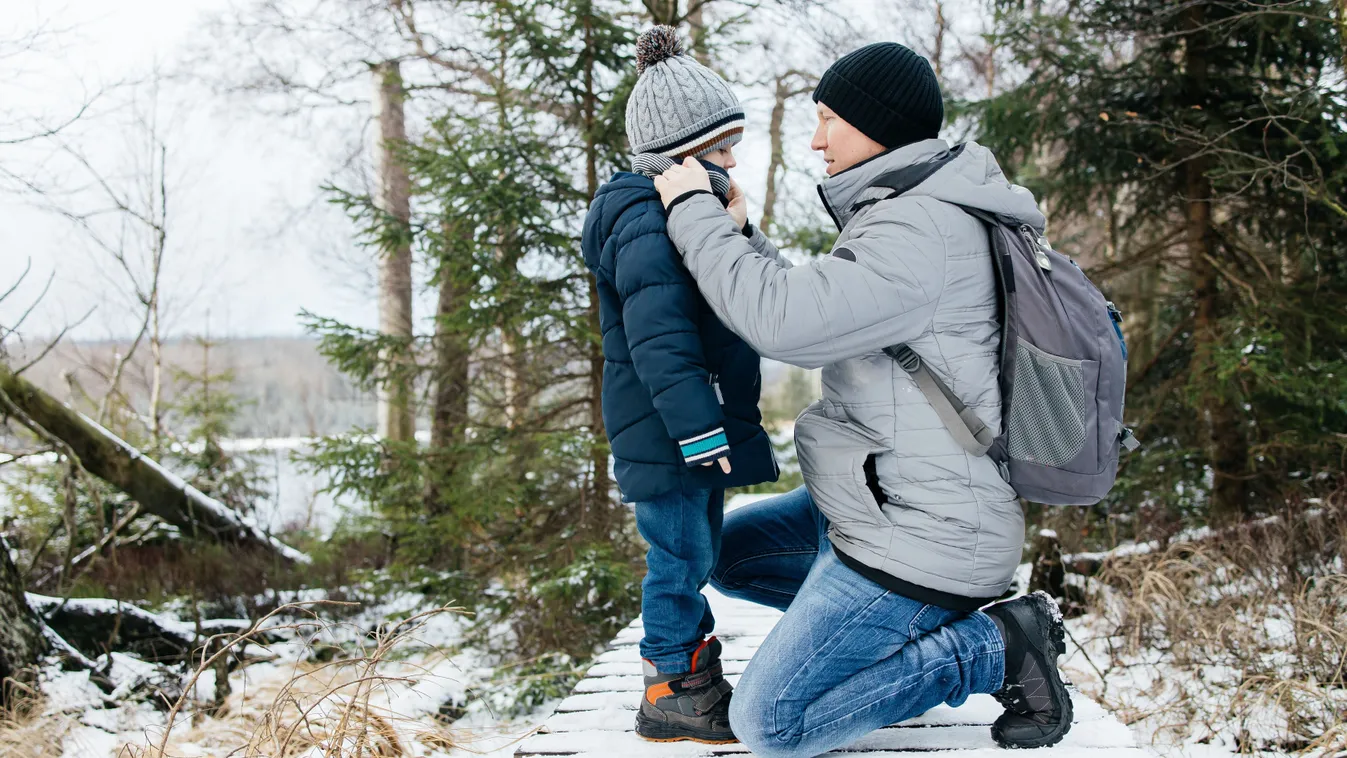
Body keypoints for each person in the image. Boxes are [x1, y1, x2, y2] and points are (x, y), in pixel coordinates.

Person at [652, 41, 1073, 756]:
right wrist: (745, 236)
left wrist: (691, 210)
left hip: (927, 533)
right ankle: (888, 643)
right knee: (725, 555)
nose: (816, 139)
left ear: (876, 123)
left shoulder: (921, 228)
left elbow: (782, 322)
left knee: (772, 724)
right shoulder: (912, 208)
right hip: (878, 502)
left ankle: (993, 648)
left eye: (827, 119)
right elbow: (820, 303)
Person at [580, 25, 778, 745]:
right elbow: (658, 338)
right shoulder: (643, 221)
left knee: (693, 550)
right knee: (678, 557)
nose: (733, 161)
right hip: (669, 431)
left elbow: (737, 296)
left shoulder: (680, 214)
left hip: (688, 426)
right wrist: (699, 427)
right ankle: (670, 684)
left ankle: (691, 673)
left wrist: (736, 228)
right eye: (720, 149)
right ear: (678, 154)